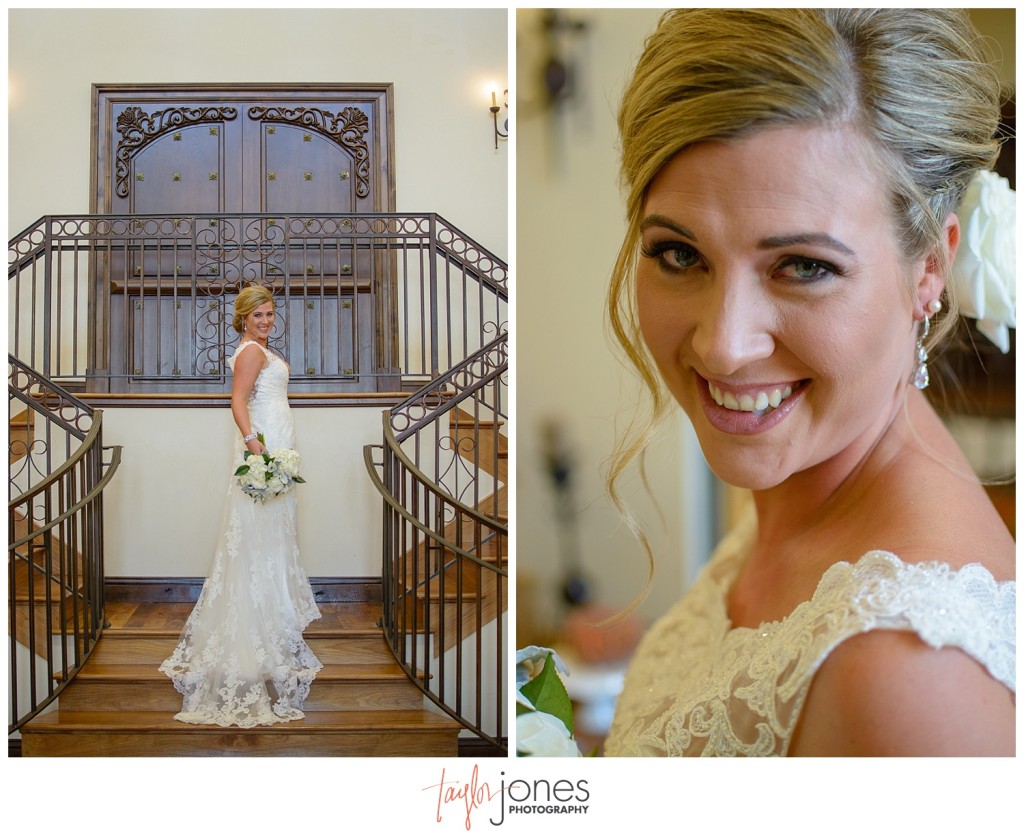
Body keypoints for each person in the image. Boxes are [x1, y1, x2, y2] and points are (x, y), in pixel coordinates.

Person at [602, 9, 1015, 756]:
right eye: (678, 254)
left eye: (804, 267)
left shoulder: (908, 674)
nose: (724, 347)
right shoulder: (803, 494)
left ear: (930, 267)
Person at [160, 284, 322, 727]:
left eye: (270, 314)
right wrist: (257, 449)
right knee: (257, 536)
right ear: (244, 319)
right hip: (264, 450)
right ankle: (255, 635)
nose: (267, 321)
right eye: (259, 316)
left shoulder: (260, 349)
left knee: (270, 535)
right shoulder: (251, 352)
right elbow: (237, 400)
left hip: (276, 448)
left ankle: (270, 625)